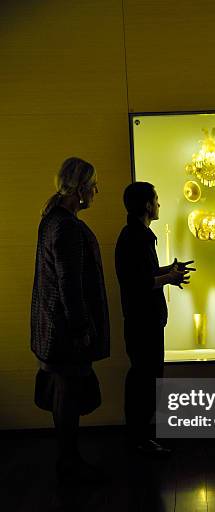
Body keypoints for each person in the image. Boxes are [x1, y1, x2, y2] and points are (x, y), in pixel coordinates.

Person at [31, 157, 110, 483]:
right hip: (64, 332)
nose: (96, 191)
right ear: (80, 189)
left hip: (52, 328)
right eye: (93, 185)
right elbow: (69, 284)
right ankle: (69, 462)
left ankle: (69, 459)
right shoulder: (66, 226)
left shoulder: (53, 220)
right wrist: (80, 329)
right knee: (67, 397)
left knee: (64, 396)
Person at [115, 182, 195, 454]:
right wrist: (169, 277)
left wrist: (168, 271)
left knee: (143, 378)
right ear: (148, 205)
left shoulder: (134, 235)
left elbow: (143, 274)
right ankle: (140, 440)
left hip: (142, 320)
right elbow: (138, 282)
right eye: (157, 200)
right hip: (144, 321)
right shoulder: (136, 237)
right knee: (145, 380)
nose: (159, 204)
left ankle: (139, 438)